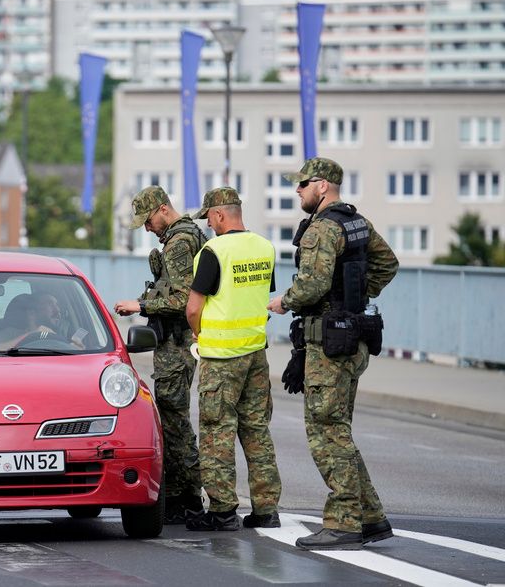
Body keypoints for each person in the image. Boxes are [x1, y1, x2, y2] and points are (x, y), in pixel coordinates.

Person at [267, 157, 399, 550]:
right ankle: (371, 516)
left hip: (329, 343)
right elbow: (387, 264)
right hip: (352, 336)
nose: (298, 190)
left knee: (326, 432)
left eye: (303, 184)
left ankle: (343, 521)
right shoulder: (356, 221)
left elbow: (311, 285)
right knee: (338, 429)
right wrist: (354, 299)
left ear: (322, 186)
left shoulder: (322, 228)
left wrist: (284, 301)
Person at [184, 187, 282, 532]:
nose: (208, 224)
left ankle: (223, 510)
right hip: (256, 352)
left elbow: (194, 307)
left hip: (222, 356)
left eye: (209, 217)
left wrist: (197, 333)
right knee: (256, 428)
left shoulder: (214, 251)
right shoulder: (264, 247)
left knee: (216, 432)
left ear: (220, 215)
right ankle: (266, 510)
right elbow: (261, 295)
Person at [114, 185, 206, 524]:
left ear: (163, 210)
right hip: (177, 344)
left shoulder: (180, 242)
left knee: (174, 421)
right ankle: (182, 495)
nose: (147, 227)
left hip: (178, 345)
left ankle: (189, 496)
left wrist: (142, 305)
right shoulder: (182, 237)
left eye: (148, 220)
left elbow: (184, 299)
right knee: (170, 418)